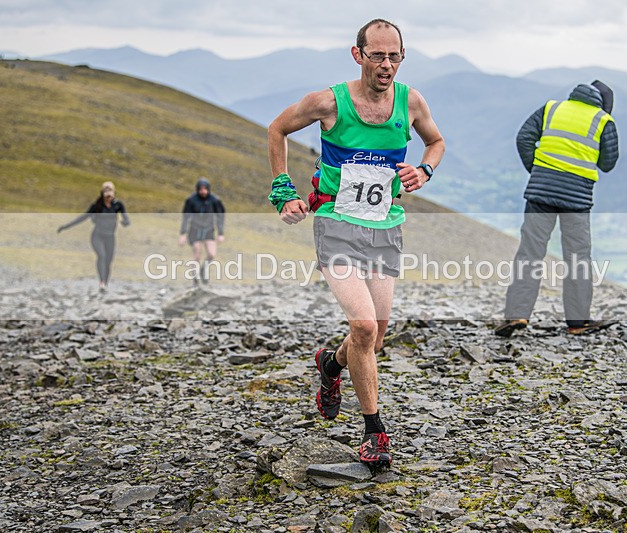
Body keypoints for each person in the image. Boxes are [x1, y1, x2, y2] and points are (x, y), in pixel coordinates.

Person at [267, 18, 444, 466]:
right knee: (363, 327)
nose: (387, 65)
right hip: (335, 222)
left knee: (374, 339)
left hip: (385, 226)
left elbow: (436, 142)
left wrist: (424, 170)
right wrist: (283, 191)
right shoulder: (329, 102)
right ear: (358, 54)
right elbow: (277, 129)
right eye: (378, 55)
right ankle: (374, 432)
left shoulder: (411, 101)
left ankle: (331, 364)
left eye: (395, 56)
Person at [495, 80, 619, 337]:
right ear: (605, 105)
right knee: (578, 258)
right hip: (577, 199)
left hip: (540, 193)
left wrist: (538, 172)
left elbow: (524, 138)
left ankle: (516, 315)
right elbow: (608, 163)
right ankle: (577, 322)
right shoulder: (603, 120)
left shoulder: (552, 108)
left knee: (530, 252)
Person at [57, 181, 130, 291]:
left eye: (110, 192)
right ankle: (101, 282)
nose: (108, 195)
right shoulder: (97, 206)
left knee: (108, 261)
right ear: (102, 193)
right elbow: (82, 218)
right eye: (106, 192)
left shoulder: (117, 205)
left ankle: (105, 283)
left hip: (110, 237)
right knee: (101, 256)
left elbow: (126, 218)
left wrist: (125, 222)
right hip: (97, 236)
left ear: (114, 193)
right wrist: (65, 227)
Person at [179, 178, 226, 285]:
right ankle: (195, 278)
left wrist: (220, 233)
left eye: (205, 189)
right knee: (197, 254)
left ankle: (203, 270)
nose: (203, 191)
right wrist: (183, 233)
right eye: (201, 189)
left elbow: (220, 216)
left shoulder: (215, 200)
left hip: (209, 230)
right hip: (195, 230)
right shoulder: (191, 200)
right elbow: (185, 217)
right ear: (197, 190)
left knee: (211, 254)